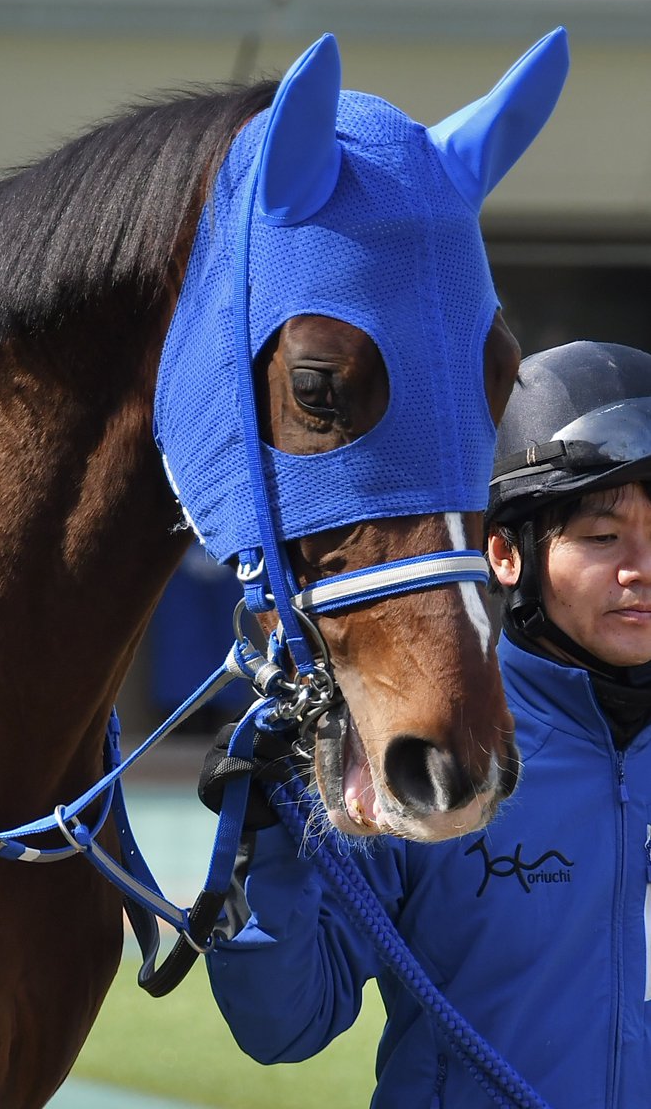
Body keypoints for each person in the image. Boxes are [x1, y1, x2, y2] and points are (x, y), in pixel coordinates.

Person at [200, 339, 651, 1108]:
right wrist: (267, 838)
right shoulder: (434, 748)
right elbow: (283, 1025)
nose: (639, 568)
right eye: (601, 537)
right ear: (504, 553)